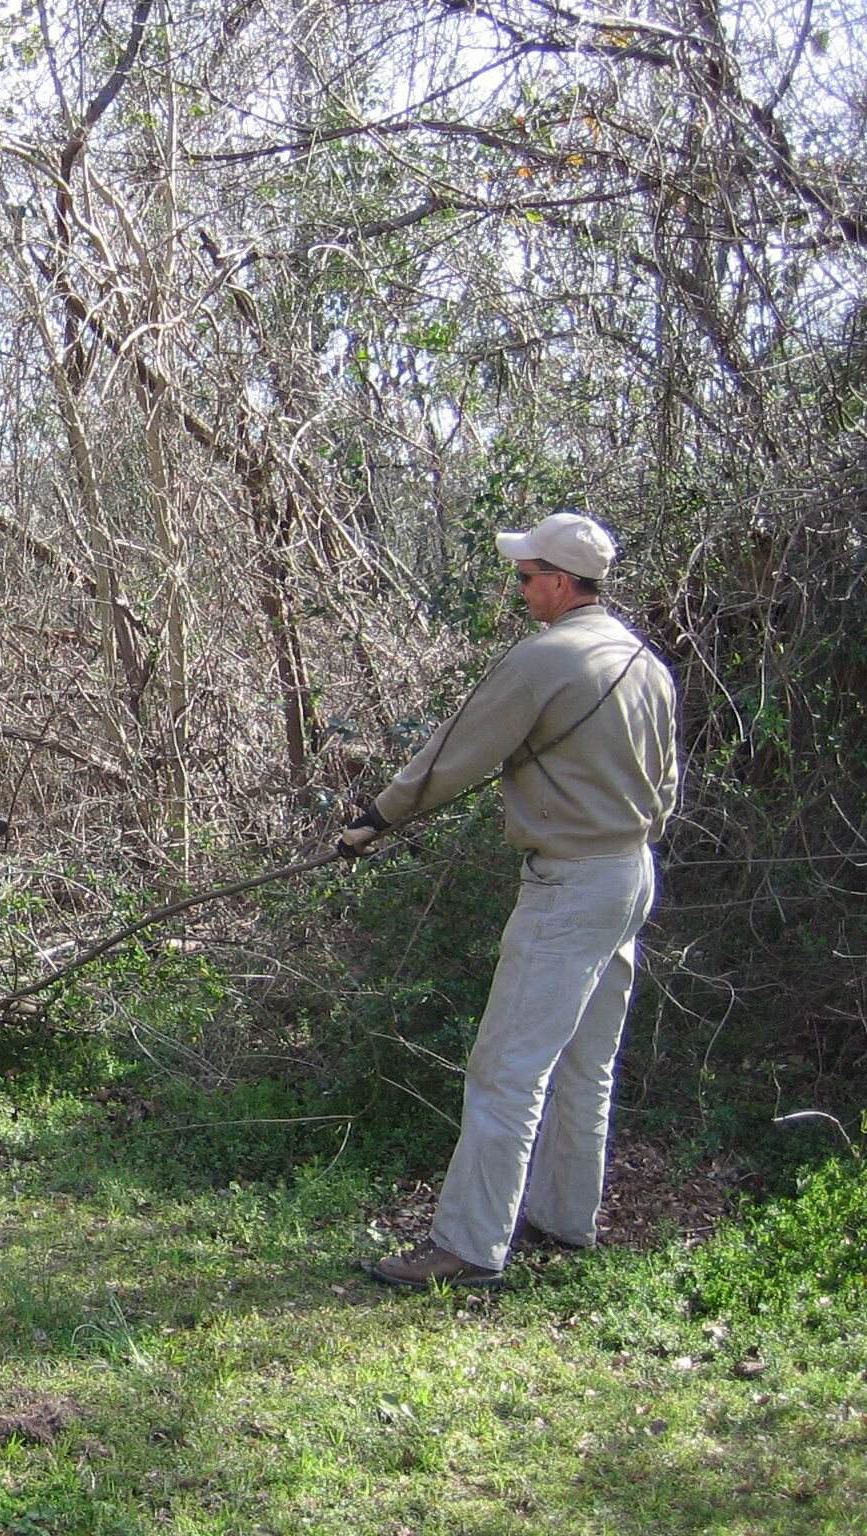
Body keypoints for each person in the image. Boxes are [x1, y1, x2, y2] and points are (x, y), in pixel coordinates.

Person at [345, 511, 679, 1288]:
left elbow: (453, 754)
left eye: (527, 576)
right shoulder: (646, 662)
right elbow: (667, 787)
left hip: (571, 885)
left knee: (506, 1069)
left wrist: (375, 820)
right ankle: (564, 1219)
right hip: (631, 873)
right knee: (587, 1063)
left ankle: (467, 1247)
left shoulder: (543, 659)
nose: (520, 588)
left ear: (561, 583)